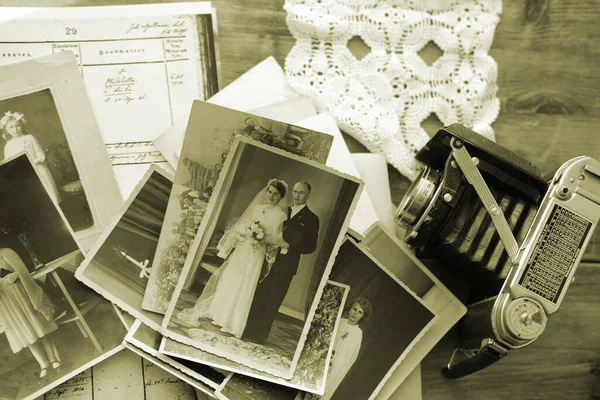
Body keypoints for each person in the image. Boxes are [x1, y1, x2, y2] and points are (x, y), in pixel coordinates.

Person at [177, 178, 290, 338]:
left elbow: (275, 239)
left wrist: (260, 237)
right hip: (242, 250)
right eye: (269, 192)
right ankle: (218, 315)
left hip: (255, 254)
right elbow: (242, 224)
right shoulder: (257, 208)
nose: (271, 196)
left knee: (244, 284)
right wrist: (244, 232)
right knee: (231, 279)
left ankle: (232, 323)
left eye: (275, 194)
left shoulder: (280, 216)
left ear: (281, 197)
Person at [243, 181, 320, 344]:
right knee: (259, 296)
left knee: (273, 301)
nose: (297, 195)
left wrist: (291, 246)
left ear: (308, 195)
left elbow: (311, 246)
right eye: (295, 191)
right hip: (267, 259)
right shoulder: (283, 210)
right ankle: (248, 329)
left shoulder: (312, 218)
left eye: (301, 192)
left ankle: (260, 336)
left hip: (286, 266)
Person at [0, 248, 61, 379]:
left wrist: (15, 275)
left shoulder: (6, 252)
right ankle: (43, 364)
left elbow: (23, 270)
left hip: (22, 293)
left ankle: (53, 359)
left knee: (38, 327)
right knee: (25, 333)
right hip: (6, 303)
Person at [0, 111, 61, 204]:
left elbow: (41, 156)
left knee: (47, 196)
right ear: (6, 130)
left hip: (37, 171)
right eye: (11, 127)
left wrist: (29, 163)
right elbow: (8, 162)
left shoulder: (30, 138)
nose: (15, 129)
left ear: (22, 126)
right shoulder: (8, 146)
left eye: (17, 126)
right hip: (22, 175)